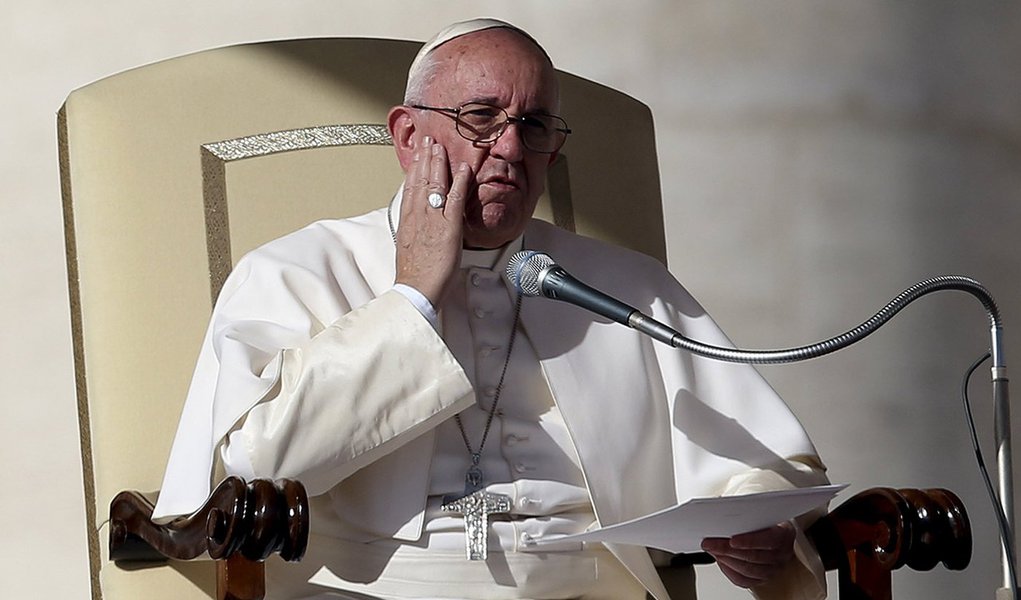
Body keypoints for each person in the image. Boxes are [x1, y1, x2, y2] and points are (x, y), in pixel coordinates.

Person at [154, 18, 829, 600]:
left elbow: (759, 461)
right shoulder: (297, 270)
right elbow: (248, 472)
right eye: (480, 117)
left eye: (533, 126)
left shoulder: (624, 285)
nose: (508, 148)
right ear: (409, 136)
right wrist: (412, 297)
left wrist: (758, 525)